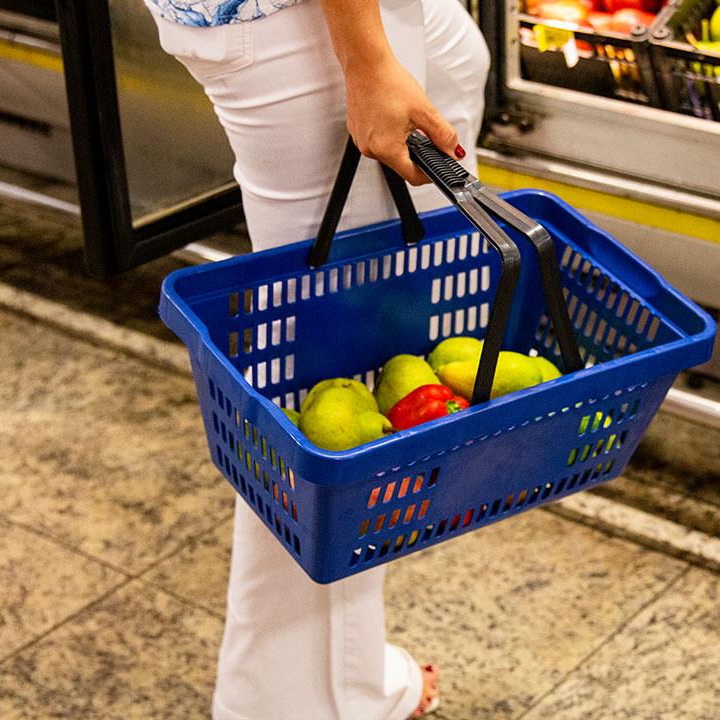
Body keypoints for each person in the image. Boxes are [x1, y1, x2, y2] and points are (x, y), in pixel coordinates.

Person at [146, 1, 490, 717]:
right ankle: (291, 702)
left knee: (461, 61)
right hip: (300, 20)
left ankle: (340, 680)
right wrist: (367, 62)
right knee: (327, 408)